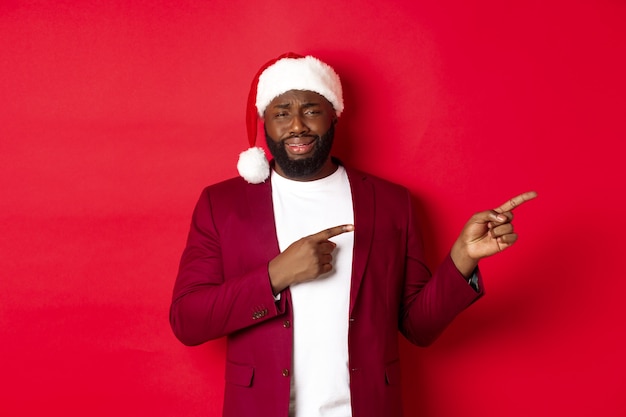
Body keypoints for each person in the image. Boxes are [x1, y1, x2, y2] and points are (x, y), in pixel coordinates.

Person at [169, 52, 537, 417]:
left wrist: (463, 258)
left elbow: (418, 327)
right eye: (282, 113)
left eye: (311, 110)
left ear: (334, 115)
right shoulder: (223, 204)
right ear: (265, 121)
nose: (297, 125)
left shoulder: (392, 203)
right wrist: (277, 275)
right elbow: (188, 320)